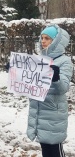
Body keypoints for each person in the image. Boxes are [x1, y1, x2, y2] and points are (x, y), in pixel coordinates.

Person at [27, 25, 73, 157]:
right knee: (45, 150)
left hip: (53, 114)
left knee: (55, 151)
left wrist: (56, 77)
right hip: (39, 111)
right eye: (42, 38)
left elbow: (63, 88)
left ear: (57, 41)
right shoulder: (39, 60)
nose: (43, 41)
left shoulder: (64, 61)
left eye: (47, 38)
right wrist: (14, 70)